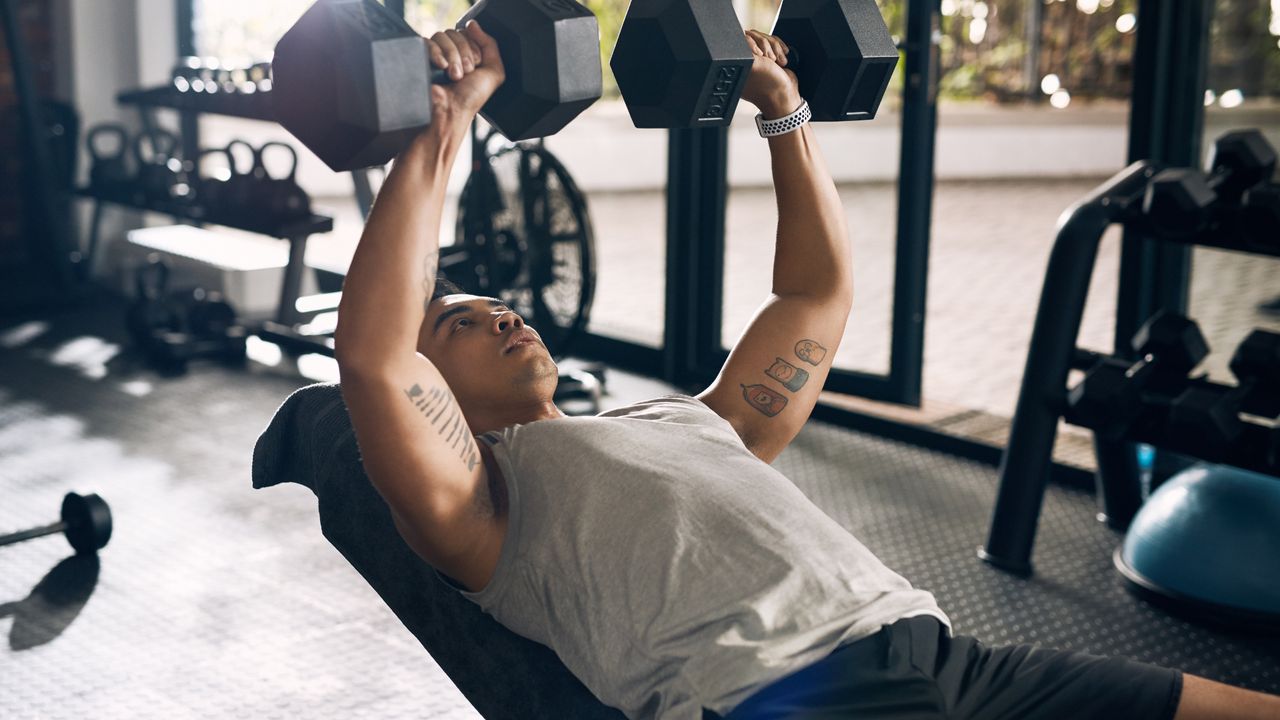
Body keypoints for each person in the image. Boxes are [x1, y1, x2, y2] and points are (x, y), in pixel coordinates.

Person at [331, 20, 1280, 720]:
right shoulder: (483, 509)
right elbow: (375, 358)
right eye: (457, 320)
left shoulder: (692, 421)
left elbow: (816, 296)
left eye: (494, 301)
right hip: (784, 700)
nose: (500, 310)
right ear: (432, 393)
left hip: (949, 662)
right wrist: (446, 125)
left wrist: (782, 109)